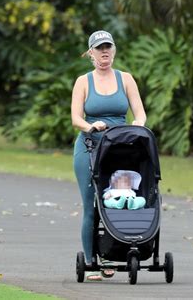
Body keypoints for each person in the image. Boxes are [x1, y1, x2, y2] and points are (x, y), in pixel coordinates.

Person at [71, 30, 147, 281]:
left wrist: (137, 124)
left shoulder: (125, 78)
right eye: (99, 48)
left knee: (118, 200)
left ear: (114, 50)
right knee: (91, 206)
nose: (105, 52)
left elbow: (140, 113)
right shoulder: (83, 81)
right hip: (90, 147)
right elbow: (76, 118)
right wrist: (91, 127)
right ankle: (92, 260)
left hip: (120, 149)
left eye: (108, 47)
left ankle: (115, 252)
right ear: (90, 53)